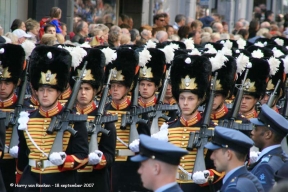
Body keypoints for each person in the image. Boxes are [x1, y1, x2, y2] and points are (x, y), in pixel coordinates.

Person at [16, 45, 89, 192]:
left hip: (60, 182)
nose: (44, 94)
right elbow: (23, 156)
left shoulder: (75, 119)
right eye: (41, 90)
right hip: (31, 183)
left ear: (59, 92)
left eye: (50, 90)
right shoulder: (27, 119)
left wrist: (65, 161)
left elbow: (82, 156)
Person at [169, 54, 224, 192]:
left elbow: (221, 169)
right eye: (182, 98)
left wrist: (208, 175)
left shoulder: (213, 130)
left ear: (200, 100)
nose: (185, 103)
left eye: (191, 98)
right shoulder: (168, 127)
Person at [71, 48, 116, 192]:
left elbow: (110, 154)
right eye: (80, 88)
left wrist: (100, 160)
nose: (83, 93)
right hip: (71, 178)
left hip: (95, 181)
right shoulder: (67, 116)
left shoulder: (106, 118)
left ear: (95, 90)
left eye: (87, 89)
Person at [104, 47, 142, 192]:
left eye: (119, 86)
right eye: (112, 86)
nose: (114, 90)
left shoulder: (138, 111)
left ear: (128, 88)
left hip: (129, 166)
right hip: (107, 165)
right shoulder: (103, 110)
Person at [205, 126, 264, 191]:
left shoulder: (234, 188)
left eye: (215, 152)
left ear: (228, 154)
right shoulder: (248, 179)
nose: (211, 157)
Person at [0, 44, 26, 192]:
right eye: (0, 82)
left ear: (16, 83)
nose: (2, 87)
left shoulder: (25, 107)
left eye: (7, 82)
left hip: (14, 166)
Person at [248, 104, 288, 192]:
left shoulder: (265, 166)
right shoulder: (281, 156)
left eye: (256, 129)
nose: (252, 132)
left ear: (268, 134)